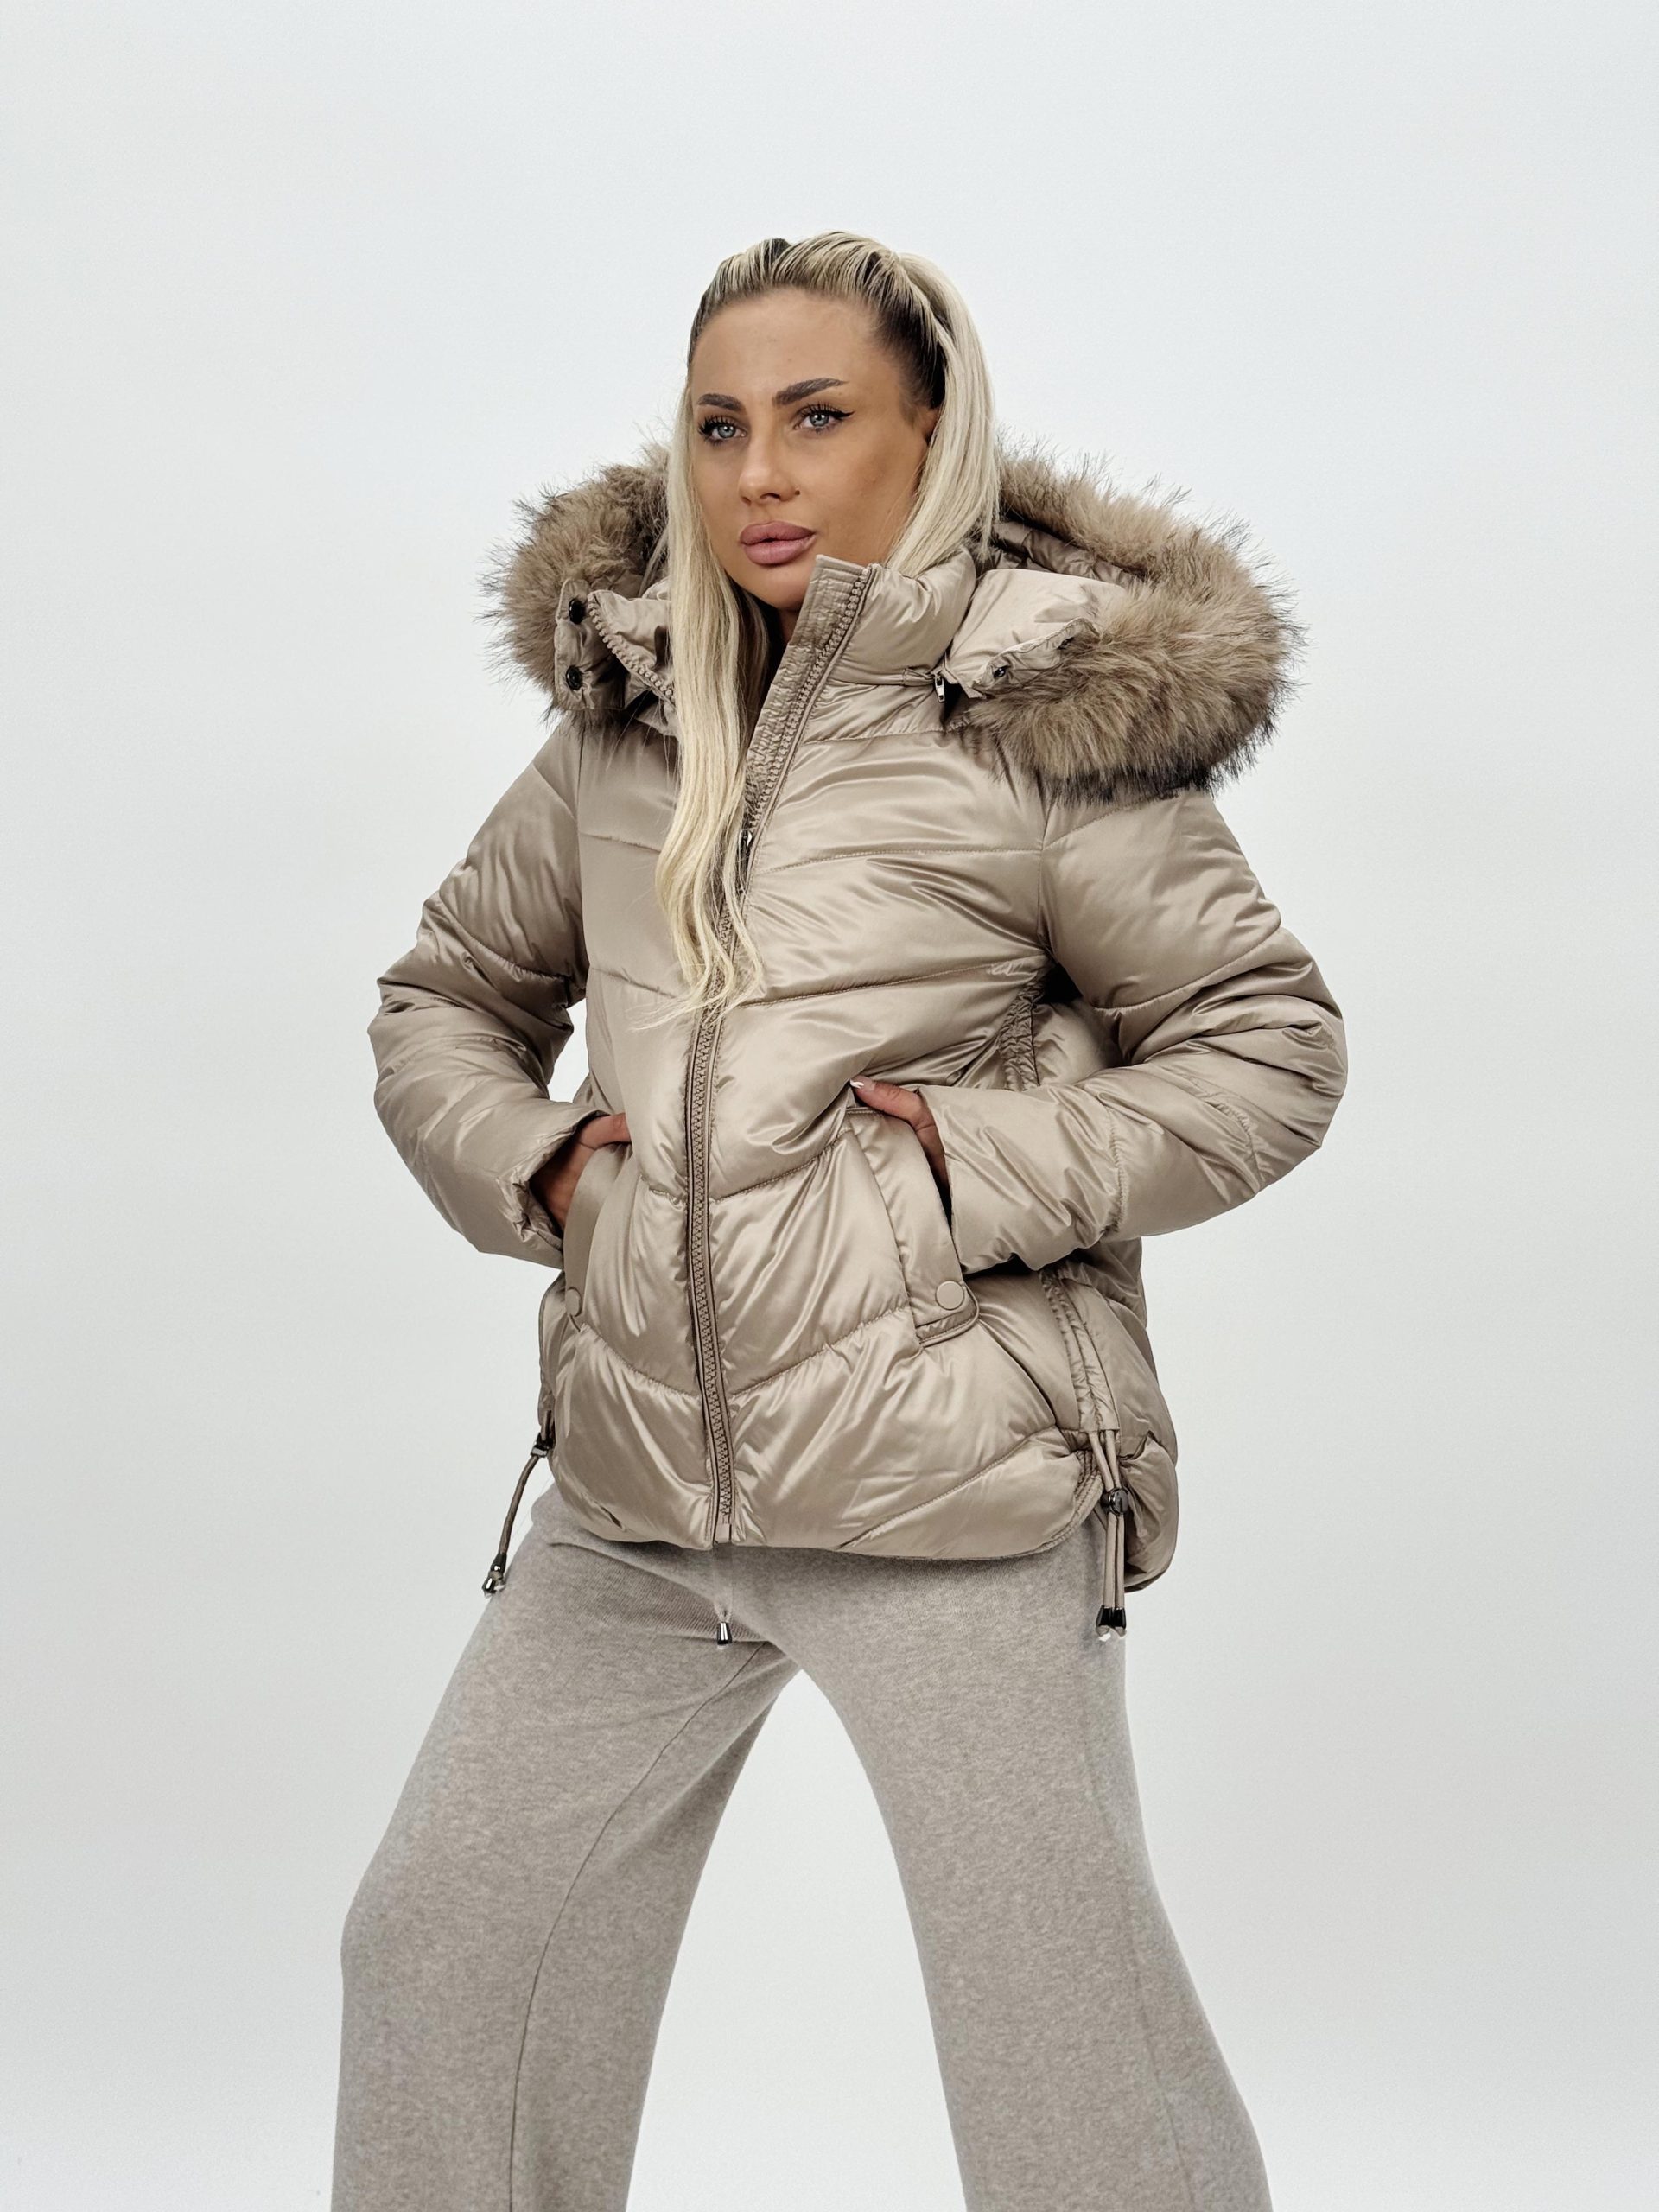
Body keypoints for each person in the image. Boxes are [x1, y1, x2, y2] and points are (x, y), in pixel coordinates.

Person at [331, 229, 1347, 2212]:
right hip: (638, 1492)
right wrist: (552, 1169)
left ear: (931, 431)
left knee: (1061, 2039)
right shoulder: (629, 719)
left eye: (818, 417)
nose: (760, 475)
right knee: (441, 1946)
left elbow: (1267, 1048)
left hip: (946, 1481)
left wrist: (961, 1173)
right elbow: (443, 996)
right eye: (719, 426)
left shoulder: (1039, 725)